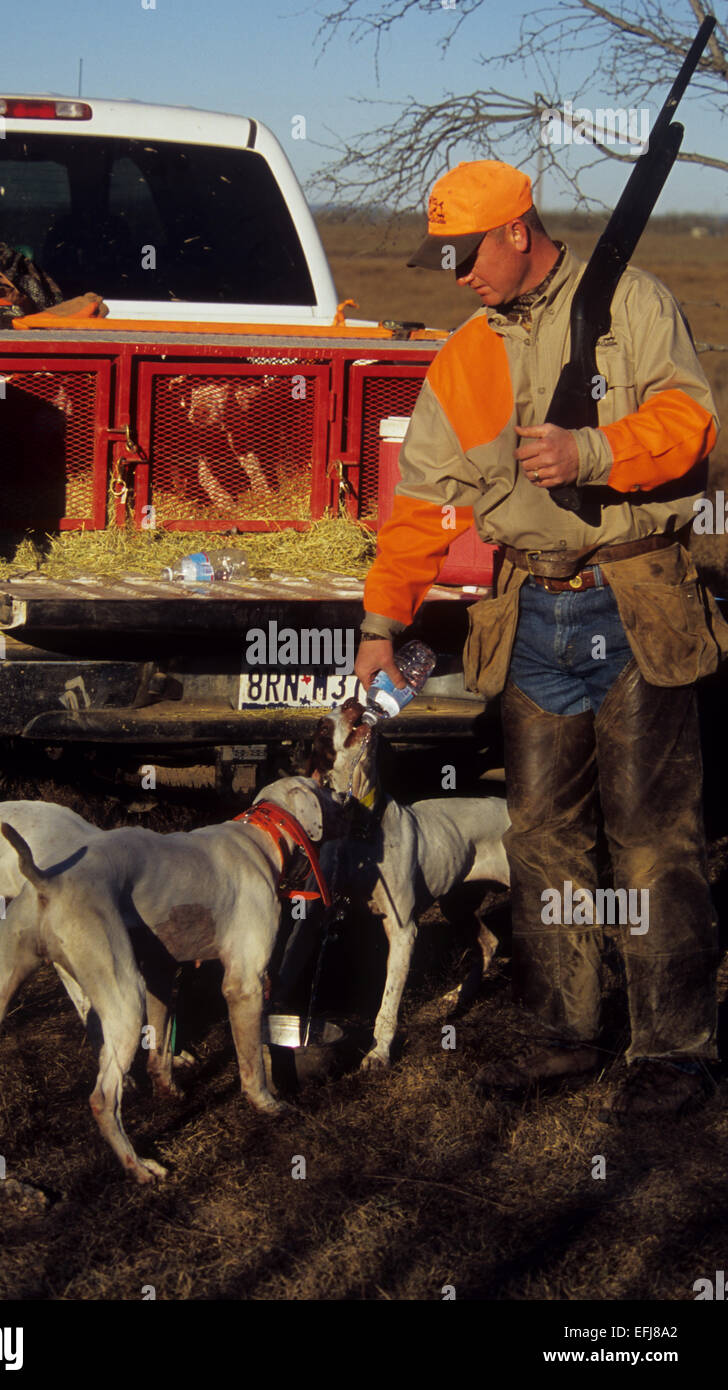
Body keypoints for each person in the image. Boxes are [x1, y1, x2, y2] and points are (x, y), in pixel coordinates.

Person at [354, 159, 727, 1122]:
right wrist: (382, 623)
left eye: (467, 253)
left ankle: (675, 1054)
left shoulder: (633, 303)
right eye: (442, 259)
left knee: (651, 843)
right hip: (528, 616)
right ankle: (565, 1033)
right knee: (543, 839)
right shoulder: (466, 352)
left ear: (518, 230)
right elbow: (422, 510)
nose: (456, 275)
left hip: (631, 597)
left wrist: (590, 451)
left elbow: (691, 423)